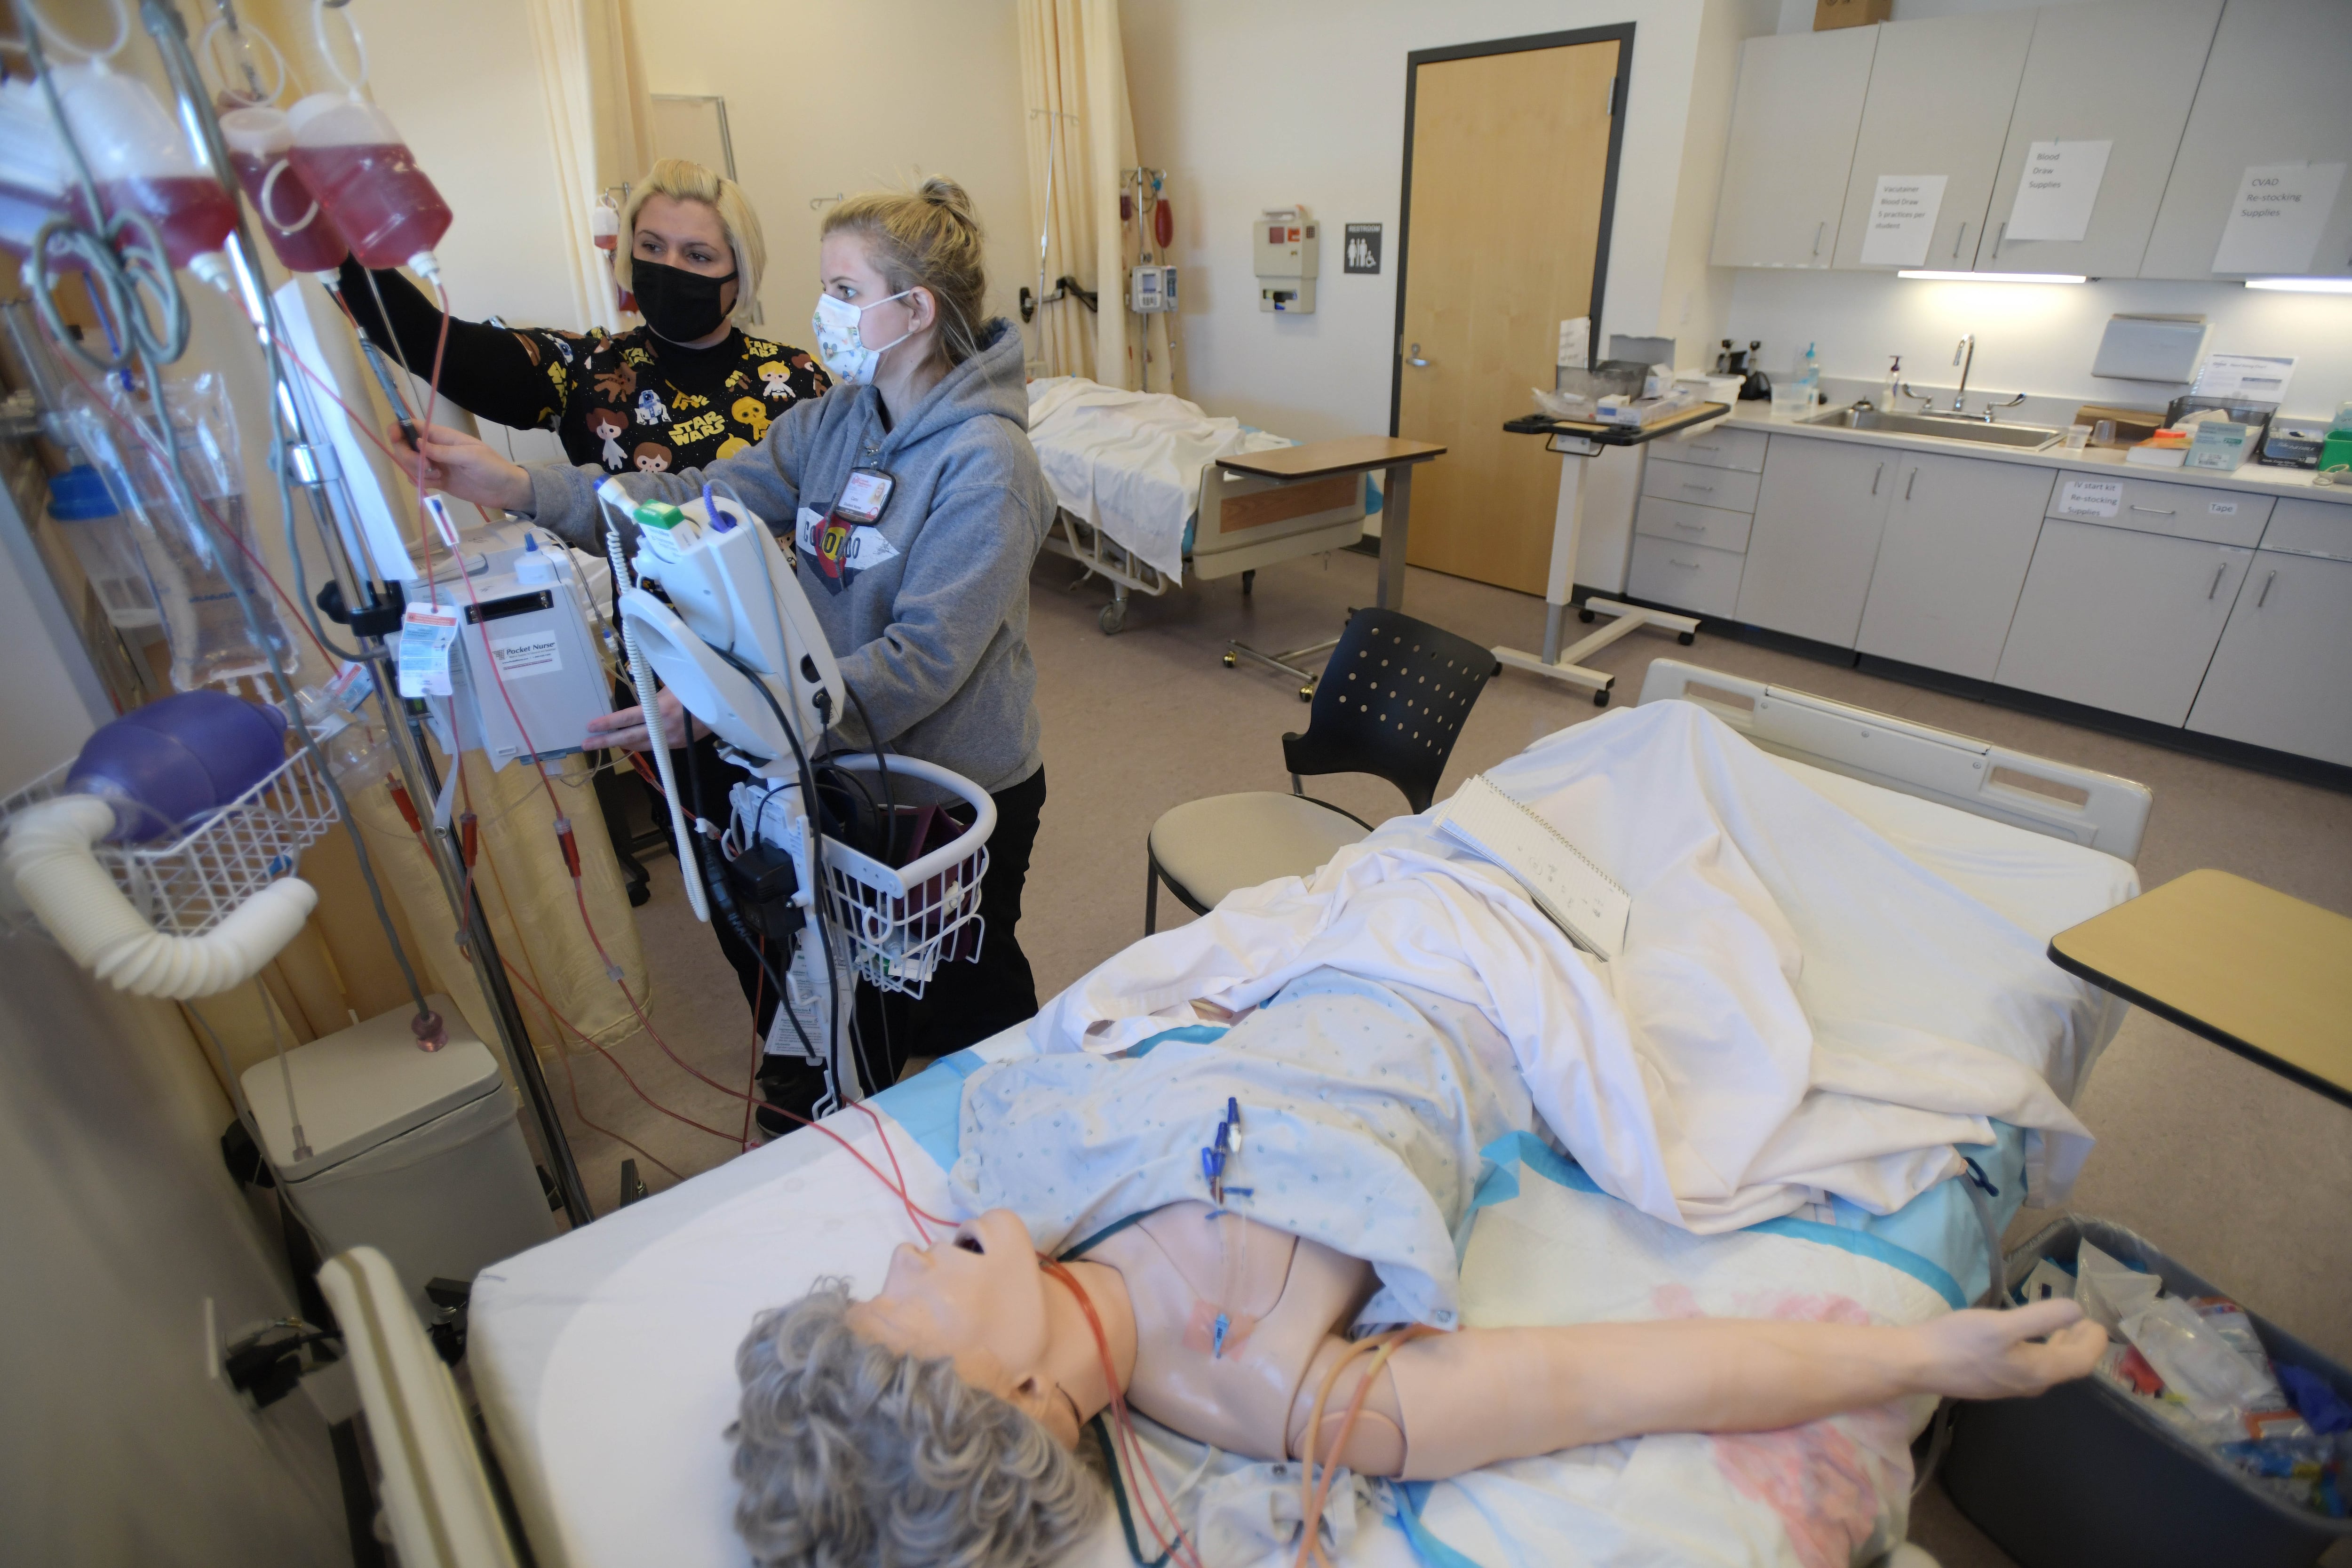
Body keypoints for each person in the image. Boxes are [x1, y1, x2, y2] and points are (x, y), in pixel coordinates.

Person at [724, 971, 2108, 1567]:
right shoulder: (1291, 1395)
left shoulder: (1018, 1177)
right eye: (899, 1307)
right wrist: (1926, 1358)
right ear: (1019, 1403)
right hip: (1502, 994)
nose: (905, 1252)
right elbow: (1604, 1379)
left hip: (1365, 937)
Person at [393, 178, 1053, 1131]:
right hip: (850, 759)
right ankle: (887, 1134)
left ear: (914, 311)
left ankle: (1027, 1132)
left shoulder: (986, 465)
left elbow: (919, 661)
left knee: (969, 993)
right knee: (875, 976)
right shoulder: (836, 421)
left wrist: (732, 707)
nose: (822, 314)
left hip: (956, 787)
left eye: (842, 290)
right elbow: (696, 497)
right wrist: (518, 487)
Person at [338, 157, 830, 471]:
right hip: (653, 636)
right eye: (652, 247)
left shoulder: (797, 378)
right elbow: (427, 338)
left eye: (698, 256)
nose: (668, 268)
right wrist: (330, 240)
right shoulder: (586, 371)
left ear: (739, 274)